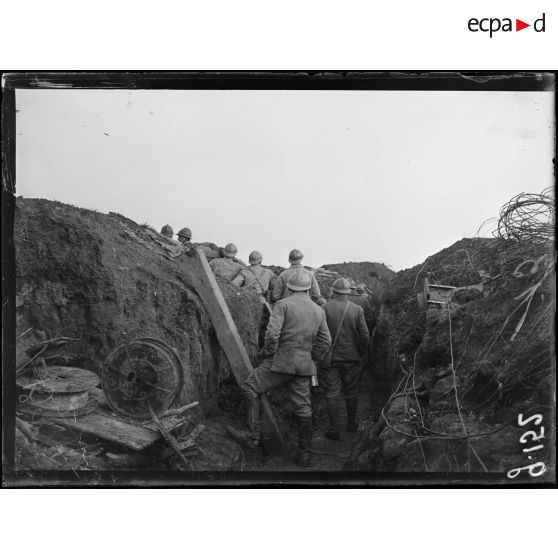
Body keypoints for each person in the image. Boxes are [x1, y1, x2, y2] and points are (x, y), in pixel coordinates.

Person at [226, 270, 332, 466]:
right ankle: (304, 454)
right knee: (303, 407)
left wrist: (268, 352)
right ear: (309, 288)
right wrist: (311, 357)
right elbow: (326, 341)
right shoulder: (319, 310)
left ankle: (251, 434)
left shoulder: (283, 305)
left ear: (289, 288)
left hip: (281, 362)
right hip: (304, 365)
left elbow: (272, 334)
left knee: (250, 387)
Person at [319, 277, 369, 440]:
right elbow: (365, 336)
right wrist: (359, 353)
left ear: (333, 291)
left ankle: (334, 429)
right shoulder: (357, 310)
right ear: (349, 292)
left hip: (330, 359)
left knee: (332, 393)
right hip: (352, 358)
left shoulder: (324, 308)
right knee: (351, 392)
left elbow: (317, 335)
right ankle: (351, 424)